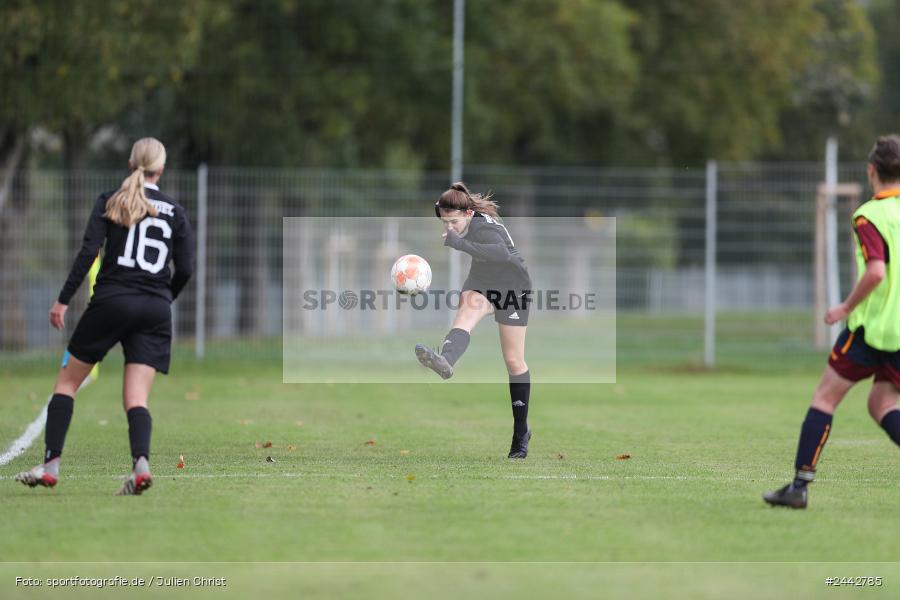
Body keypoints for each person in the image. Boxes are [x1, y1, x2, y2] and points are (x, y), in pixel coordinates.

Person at [14, 137, 194, 496]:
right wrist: (163, 299)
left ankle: (50, 465)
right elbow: (186, 269)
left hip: (112, 301)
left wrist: (62, 301)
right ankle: (140, 464)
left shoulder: (110, 200)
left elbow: (87, 254)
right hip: (155, 309)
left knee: (67, 384)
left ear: (131, 165)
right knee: (136, 398)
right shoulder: (176, 211)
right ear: (161, 169)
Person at [764, 135, 900, 509]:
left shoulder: (869, 215)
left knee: (824, 398)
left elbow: (875, 273)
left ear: (872, 171)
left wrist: (844, 308)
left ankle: (798, 488)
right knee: (882, 404)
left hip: (874, 331)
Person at [415, 182, 534, 458]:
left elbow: (501, 254)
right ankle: (445, 360)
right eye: (445, 221)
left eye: (454, 221)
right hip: (482, 280)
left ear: (468, 214)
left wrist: (459, 243)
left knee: (514, 361)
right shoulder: (460, 214)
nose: (449, 226)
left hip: (512, 286)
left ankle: (521, 432)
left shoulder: (484, 228)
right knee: (466, 312)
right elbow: (445, 209)